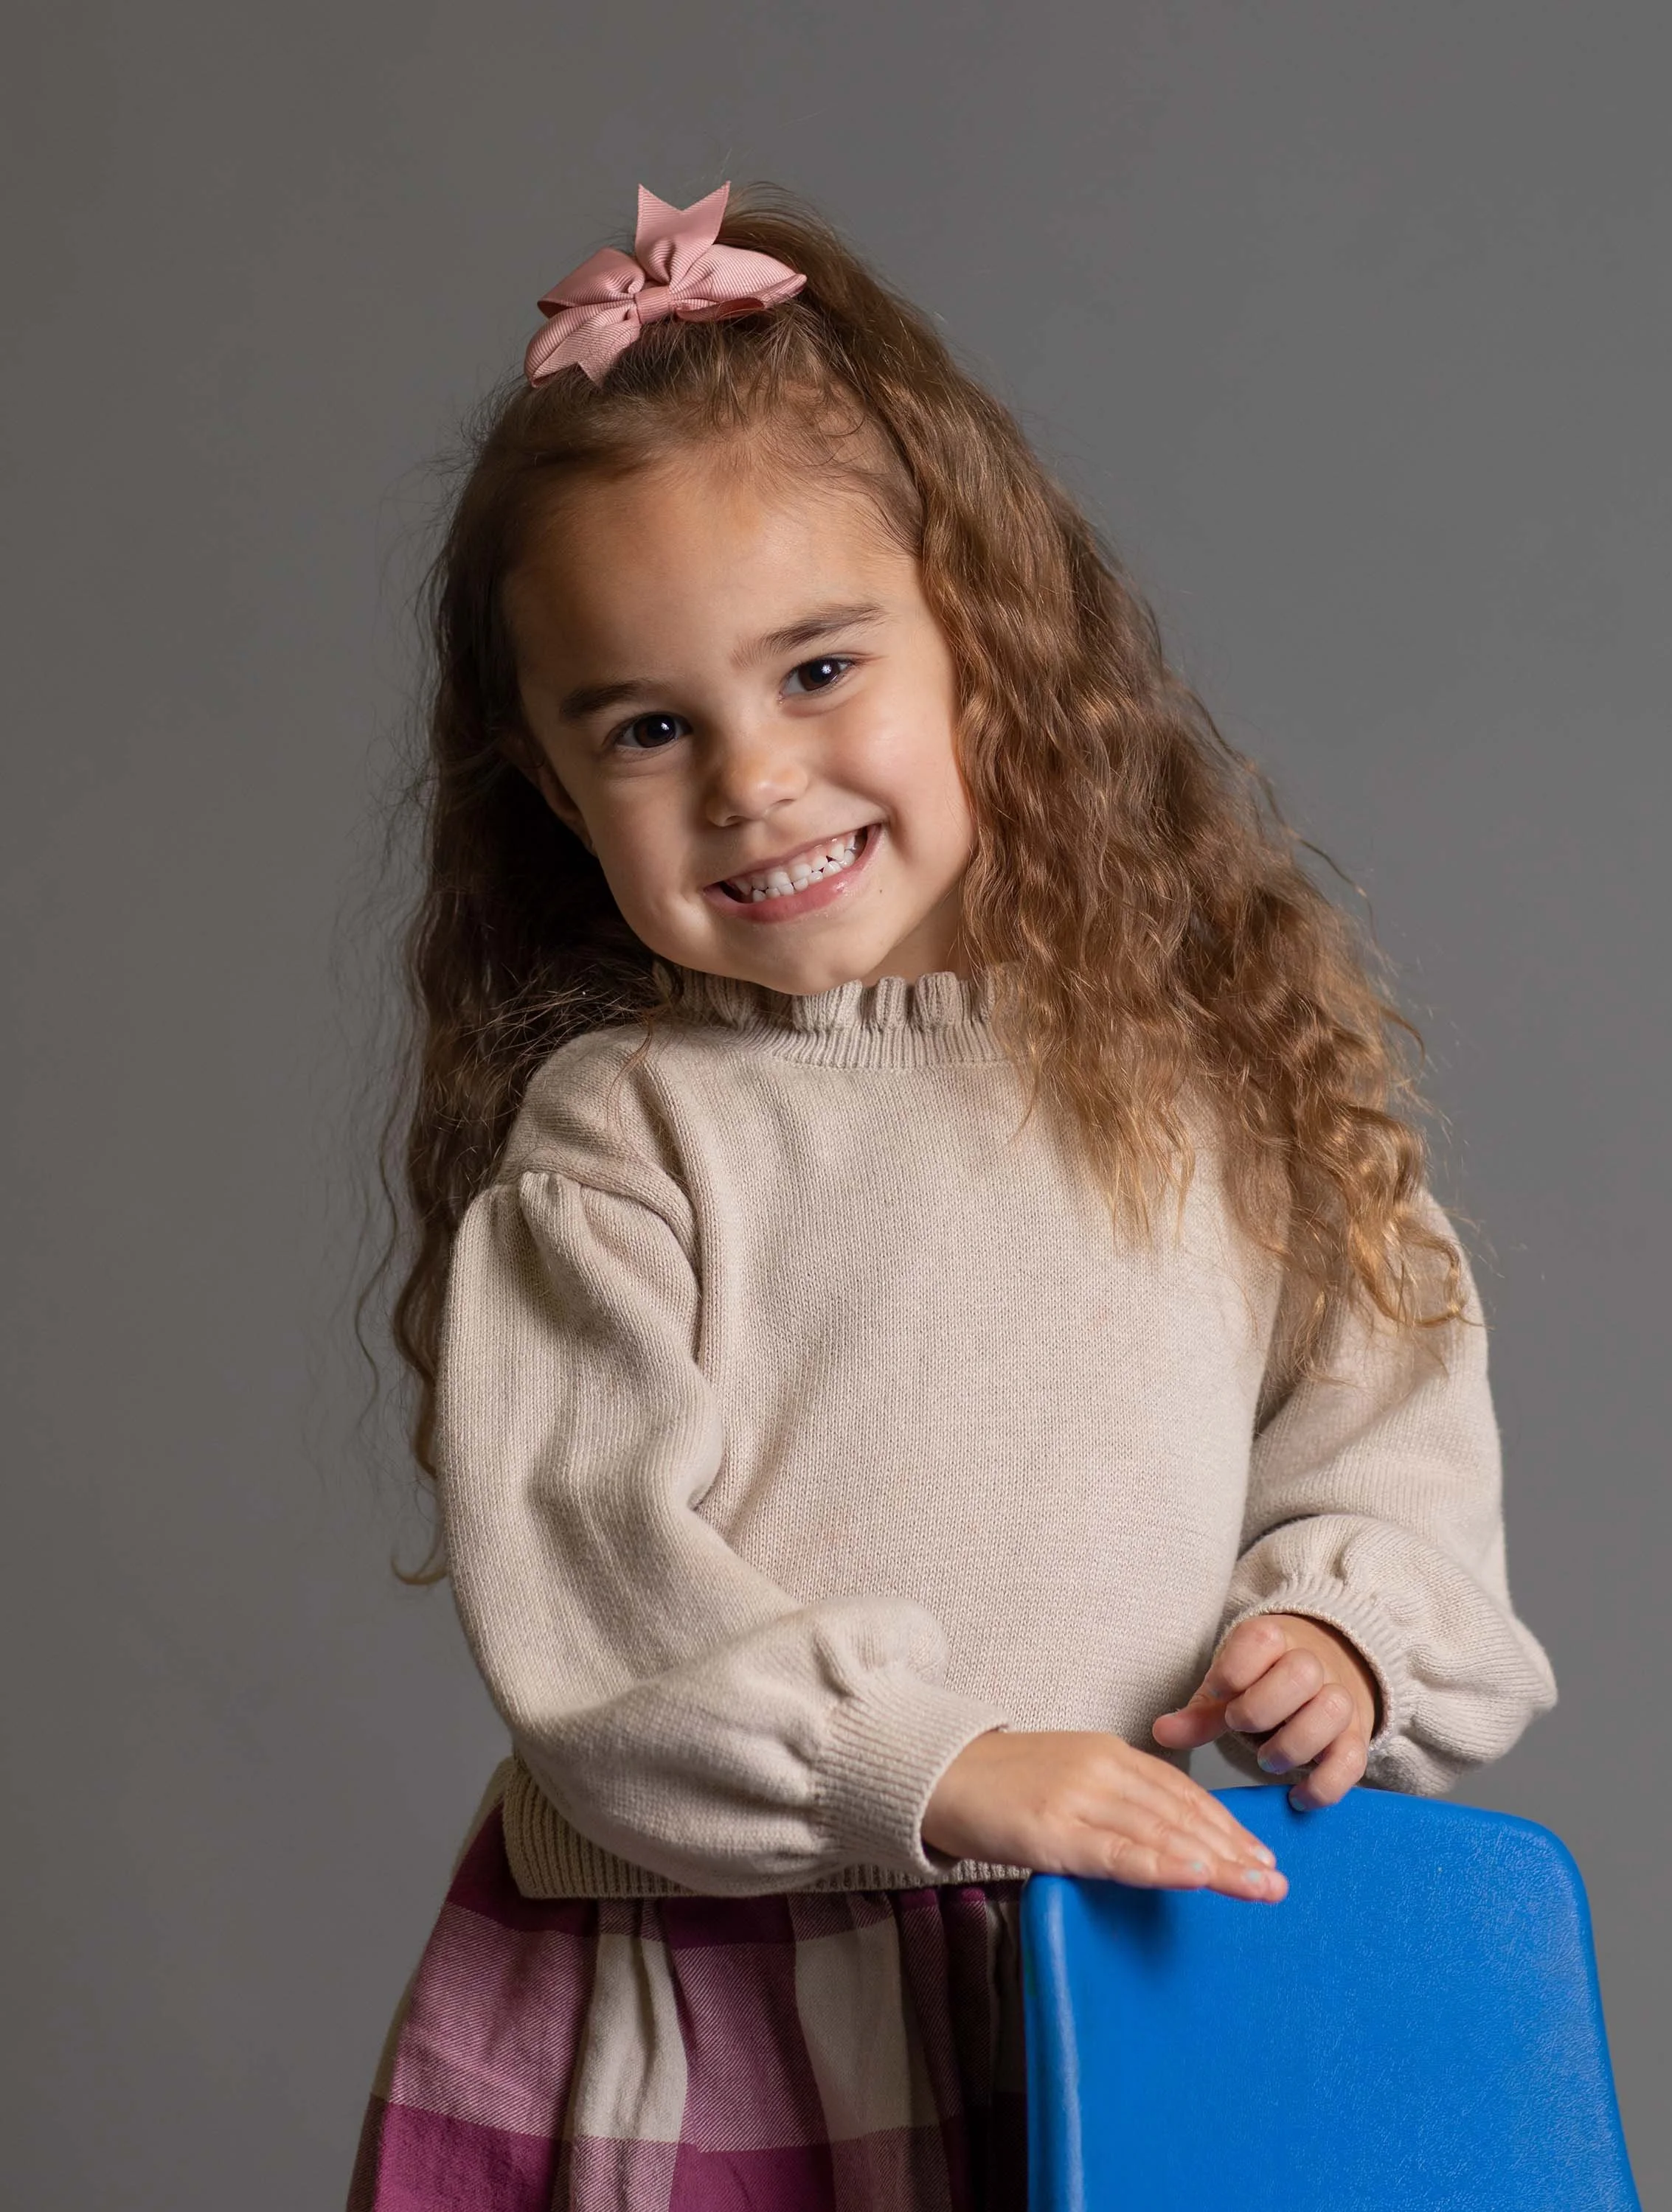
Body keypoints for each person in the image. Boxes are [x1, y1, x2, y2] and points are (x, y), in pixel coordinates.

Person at [348, 182, 1556, 2212]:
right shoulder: (620, 1149)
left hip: (1155, 1966)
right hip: (753, 2009)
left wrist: (1341, 1637)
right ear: (558, 791)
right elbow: (600, 1604)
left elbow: (1392, 1418)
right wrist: (942, 1769)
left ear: (982, 635)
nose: (751, 780)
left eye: (818, 667)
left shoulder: (1206, 1070)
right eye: (651, 729)